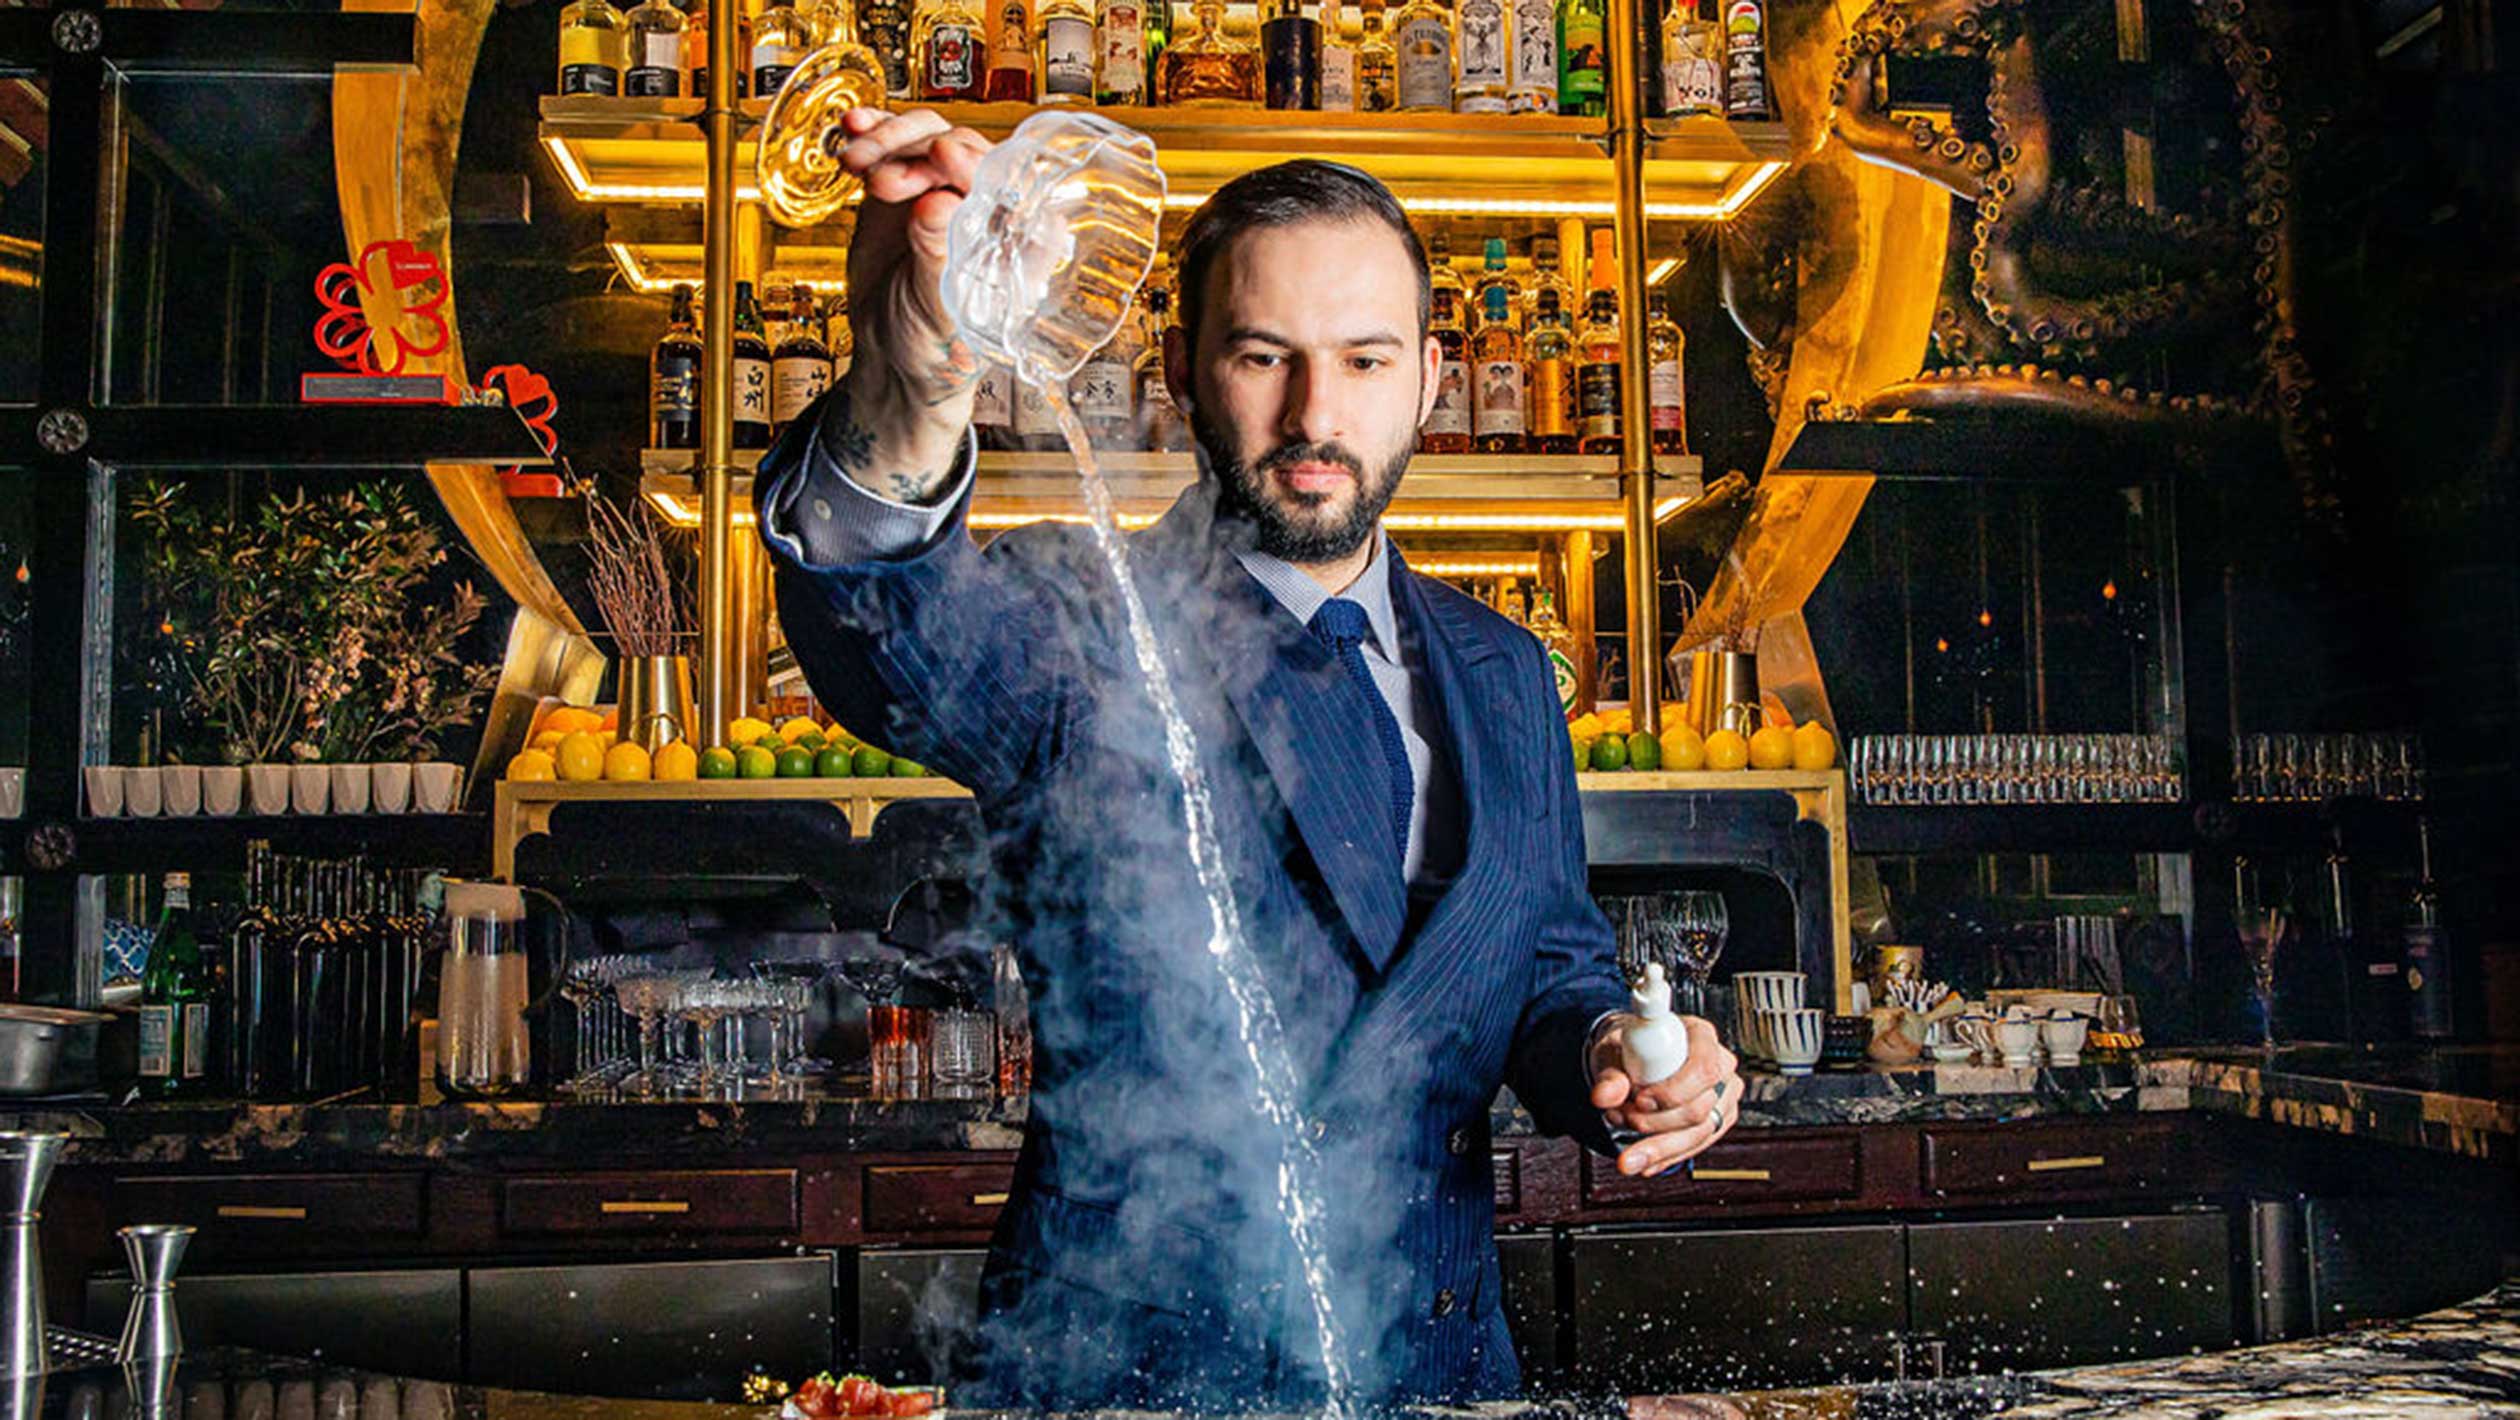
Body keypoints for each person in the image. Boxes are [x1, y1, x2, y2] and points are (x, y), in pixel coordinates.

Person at [755, 107, 1744, 1410]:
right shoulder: (1085, 622)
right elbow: (903, 639)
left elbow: (1544, 958)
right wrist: (911, 387)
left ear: (1434, 379)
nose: (1315, 413)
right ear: (1181, 367)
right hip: (1129, 1378)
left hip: (1440, 1364)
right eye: (1263, 355)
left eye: (1366, 360)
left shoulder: (1504, 670)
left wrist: (1616, 1047)